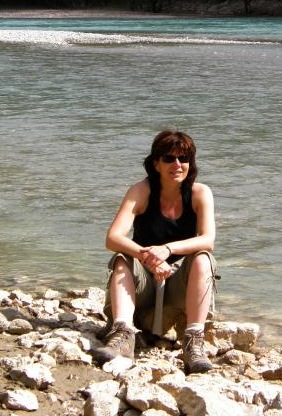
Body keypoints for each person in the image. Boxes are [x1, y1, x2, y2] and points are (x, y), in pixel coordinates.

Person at [92, 130, 217, 373]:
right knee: (122, 257)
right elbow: (113, 237)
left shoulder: (200, 193)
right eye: (169, 158)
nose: (177, 165)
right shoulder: (141, 191)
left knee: (203, 258)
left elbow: (208, 239)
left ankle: (193, 342)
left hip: (180, 291)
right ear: (156, 163)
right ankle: (122, 334)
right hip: (145, 290)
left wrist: (167, 250)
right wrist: (147, 257)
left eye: (184, 158)